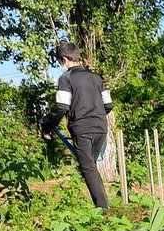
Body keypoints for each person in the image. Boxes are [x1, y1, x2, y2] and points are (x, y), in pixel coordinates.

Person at [40, 42, 114, 208]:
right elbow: (108, 104)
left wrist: (48, 127)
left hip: (82, 129)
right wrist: (97, 116)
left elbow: (62, 107)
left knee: (87, 169)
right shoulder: (96, 78)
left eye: (60, 62)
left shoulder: (65, 79)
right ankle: (104, 208)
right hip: (101, 128)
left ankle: (103, 211)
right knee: (91, 168)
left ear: (65, 60)